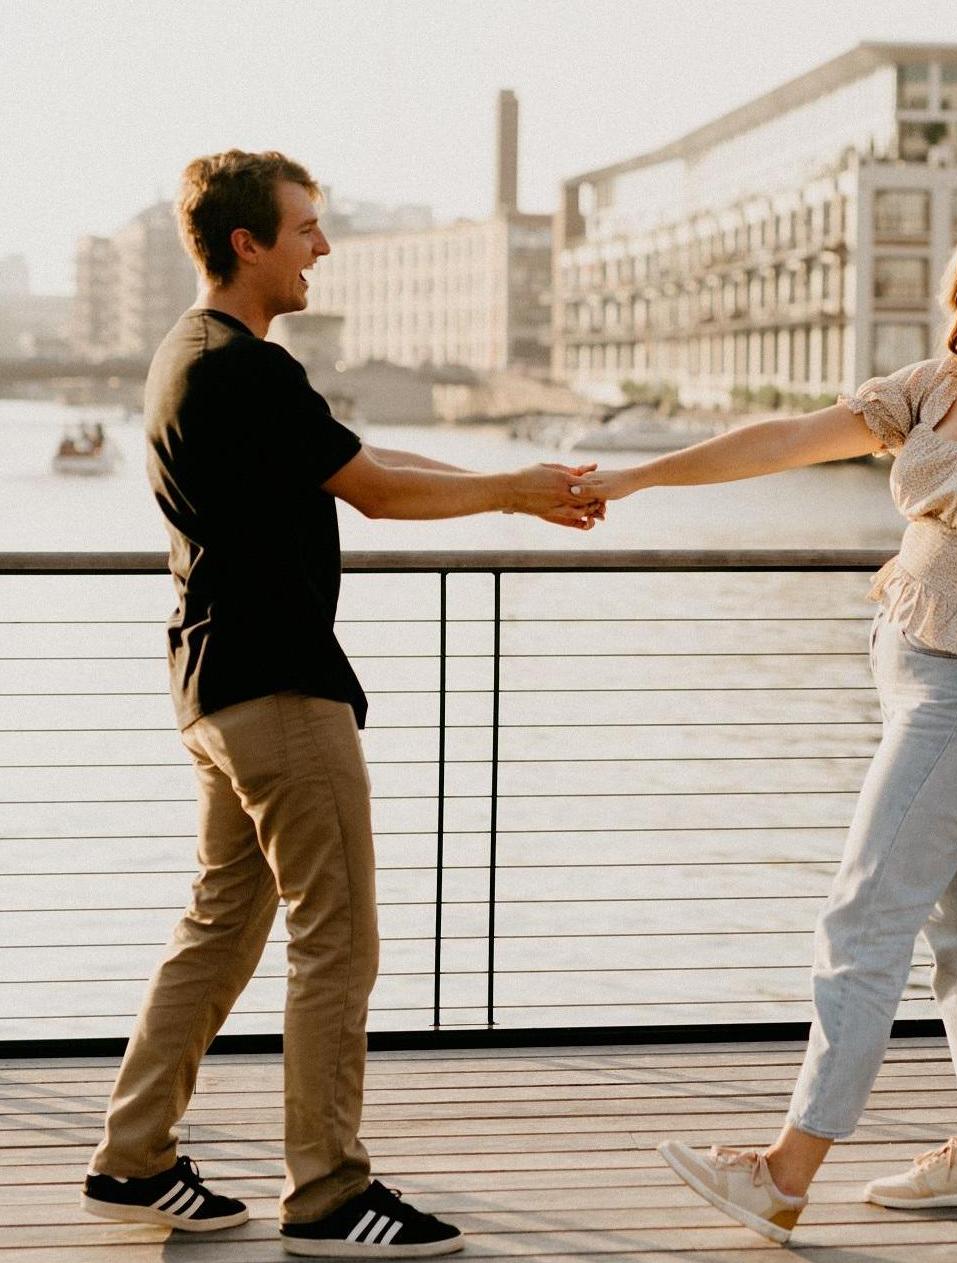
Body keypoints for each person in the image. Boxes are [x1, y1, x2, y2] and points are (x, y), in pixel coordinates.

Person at [583, 214, 957, 1244]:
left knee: (862, 920)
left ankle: (785, 1169)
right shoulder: (941, 386)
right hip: (911, 670)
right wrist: (639, 477)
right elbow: (783, 440)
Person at [80, 149, 601, 1259]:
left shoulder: (192, 355)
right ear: (246, 244)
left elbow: (355, 460)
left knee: (222, 925)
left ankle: (133, 1155)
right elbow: (371, 490)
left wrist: (503, 483)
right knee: (340, 938)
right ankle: (327, 1193)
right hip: (279, 688)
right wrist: (509, 491)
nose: (323, 246)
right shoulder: (247, 368)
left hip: (212, 689)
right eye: (306, 227)